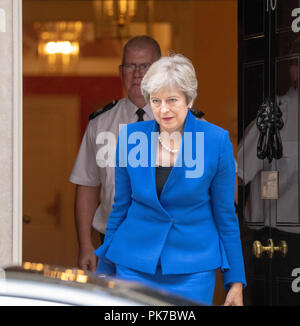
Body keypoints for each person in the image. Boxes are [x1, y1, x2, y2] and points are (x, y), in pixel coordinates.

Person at [95, 54, 246, 305]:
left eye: (172, 100)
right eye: (156, 101)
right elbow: (120, 208)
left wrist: (235, 282)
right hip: (133, 265)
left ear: (189, 99)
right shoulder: (131, 137)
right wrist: (103, 270)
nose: (163, 109)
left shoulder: (215, 141)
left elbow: (225, 216)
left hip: (193, 270)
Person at [69, 36, 162, 272]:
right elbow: (87, 186)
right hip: (112, 243)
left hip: (168, 244)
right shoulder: (100, 124)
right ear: (121, 71)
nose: (137, 73)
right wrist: (85, 245)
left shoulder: (187, 123)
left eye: (145, 66)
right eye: (130, 66)